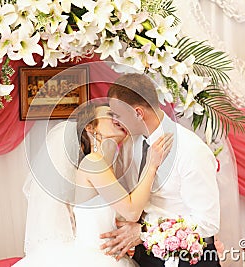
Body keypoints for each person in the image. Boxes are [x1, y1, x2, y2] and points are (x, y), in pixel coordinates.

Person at [12, 102, 173, 267]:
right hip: (94, 259)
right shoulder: (93, 162)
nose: (119, 119)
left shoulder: (108, 166)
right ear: (90, 127)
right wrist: (152, 165)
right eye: (111, 115)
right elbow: (132, 211)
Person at [100, 73, 221, 267]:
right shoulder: (130, 144)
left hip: (187, 259)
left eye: (117, 115)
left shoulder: (191, 150)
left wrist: (145, 233)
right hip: (143, 256)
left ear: (138, 113)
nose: (114, 121)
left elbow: (207, 223)